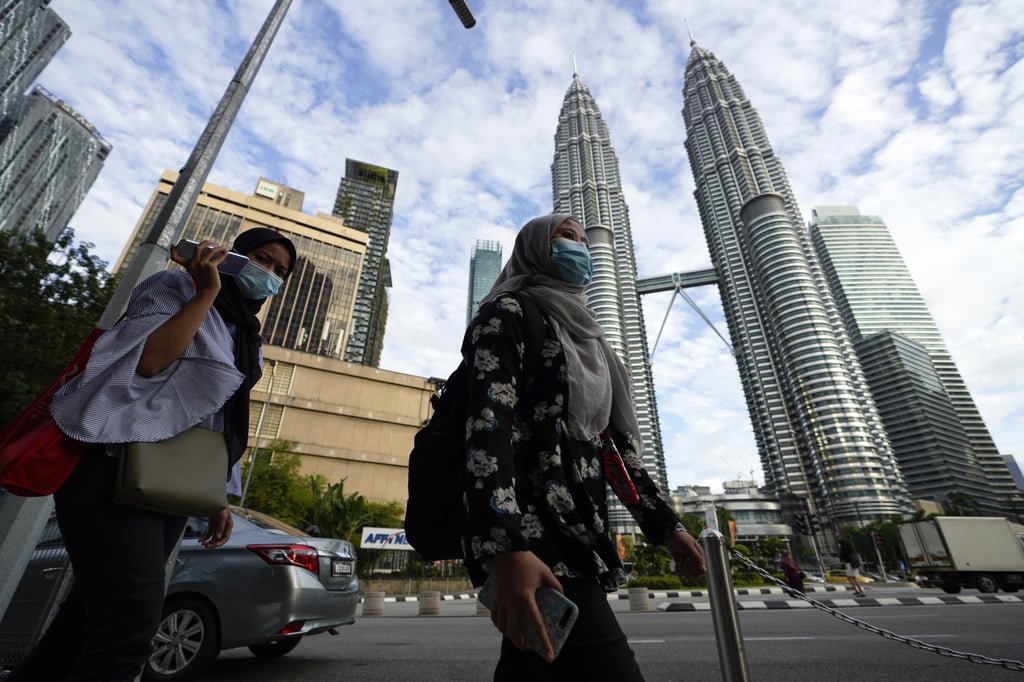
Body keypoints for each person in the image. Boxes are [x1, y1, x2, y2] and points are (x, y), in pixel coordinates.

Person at [8, 227, 296, 682]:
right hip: (114, 463)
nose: (270, 274)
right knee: (129, 629)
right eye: (262, 259)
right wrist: (206, 291)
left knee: (87, 620)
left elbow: (219, 417)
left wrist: (218, 494)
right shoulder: (174, 286)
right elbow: (149, 361)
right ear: (234, 255)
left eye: (281, 271)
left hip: (172, 480)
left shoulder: (247, 335)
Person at [462, 214, 706, 681]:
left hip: (582, 526)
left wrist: (665, 526)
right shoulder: (508, 312)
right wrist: (506, 546)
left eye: (582, 240)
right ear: (535, 248)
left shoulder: (590, 339)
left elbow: (610, 448)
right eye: (566, 237)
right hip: (535, 533)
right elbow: (487, 427)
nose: (579, 246)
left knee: (531, 665)